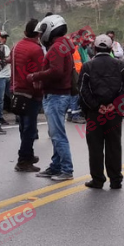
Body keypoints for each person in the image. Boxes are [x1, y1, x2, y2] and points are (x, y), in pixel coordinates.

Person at [78, 34, 124, 190]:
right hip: (114, 114)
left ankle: (98, 179)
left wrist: (96, 106)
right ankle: (115, 180)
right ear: (110, 47)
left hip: (95, 115)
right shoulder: (120, 65)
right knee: (114, 146)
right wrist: (114, 105)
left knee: (95, 147)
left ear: (94, 48)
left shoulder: (87, 67)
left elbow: (82, 90)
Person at [29, 15, 75, 182]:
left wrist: (36, 76)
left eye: (42, 31)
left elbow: (56, 71)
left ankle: (67, 169)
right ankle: (55, 166)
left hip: (56, 96)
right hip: (60, 94)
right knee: (56, 134)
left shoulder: (56, 48)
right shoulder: (64, 45)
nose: (41, 35)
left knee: (57, 135)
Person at [11, 19, 44, 172]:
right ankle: (23, 160)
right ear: (38, 34)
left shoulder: (16, 46)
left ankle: (28, 154)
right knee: (30, 128)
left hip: (17, 89)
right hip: (30, 92)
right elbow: (38, 75)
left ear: (25, 32)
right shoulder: (36, 50)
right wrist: (40, 95)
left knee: (23, 126)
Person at [67, 31, 87, 125]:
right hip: (74, 72)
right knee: (75, 93)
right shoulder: (70, 48)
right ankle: (75, 115)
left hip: (76, 72)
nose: (76, 40)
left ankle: (71, 114)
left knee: (73, 93)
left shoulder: (75, 48)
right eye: (75, 39)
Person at [0, 31, 11, 126]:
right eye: (2, 37)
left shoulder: (6, 47)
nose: (4, 39)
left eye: (5, 37)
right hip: (1, 76)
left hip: (8, 75)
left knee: (10, 95)